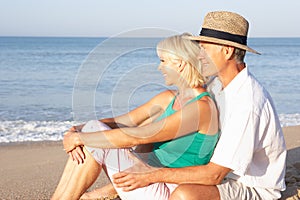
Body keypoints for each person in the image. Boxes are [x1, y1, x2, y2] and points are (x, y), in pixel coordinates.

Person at [112, 11, 287, 200]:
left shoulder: (248, 103)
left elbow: (215, 174)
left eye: (204, 48)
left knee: (185, 195)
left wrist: (152, 175)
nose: (199, 55)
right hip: (222, 174)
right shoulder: (217, 84)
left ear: (227, 51)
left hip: (250, 186)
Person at [51, 33, 220, 200]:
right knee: (92, 129)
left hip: (167, 190)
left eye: (163, 61)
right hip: (144, 180)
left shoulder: (200, 108)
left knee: (93, 133)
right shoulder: (169, 98)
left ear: (180, 64)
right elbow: (122, 122)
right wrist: (76, 131)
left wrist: (80, 138)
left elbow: (140, 136)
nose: (159, 67)